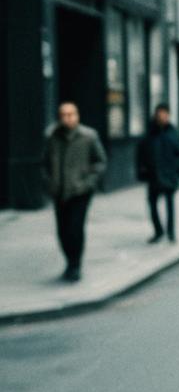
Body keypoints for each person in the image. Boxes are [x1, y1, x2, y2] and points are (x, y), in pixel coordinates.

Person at [41, 102, 107, 282]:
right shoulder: (52, 136)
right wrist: (49, 183)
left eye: (71, 114)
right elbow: (44, 163)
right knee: (62, 231)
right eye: (63, 115)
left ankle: (75, 265)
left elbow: (100, 162)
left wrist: (88, 183)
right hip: (59, 191)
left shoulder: (89, 136)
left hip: (80, 192)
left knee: (75, 229)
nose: (67, 118)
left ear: (77, 116)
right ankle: (70, 262)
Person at [136, 104, 179, 243]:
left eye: (164, 114)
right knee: (152, 204)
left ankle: (171, 232)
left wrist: (177, 171)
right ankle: (158, 231)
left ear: (168, 116)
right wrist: (143, 170)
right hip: (154, 175)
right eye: (159, 114)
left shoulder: (173, 133)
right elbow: (141, 153)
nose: (162, 117)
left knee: (170, 204)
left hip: (169, 175)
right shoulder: (150, 133)